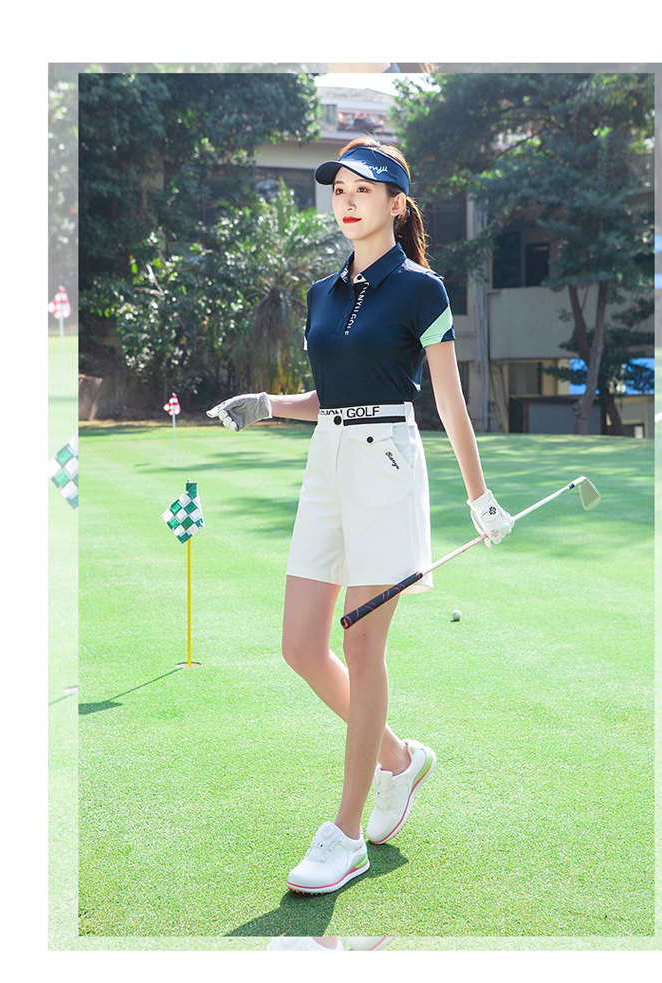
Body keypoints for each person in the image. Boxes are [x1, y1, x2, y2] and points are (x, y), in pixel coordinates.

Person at [206, 138, 514, 895]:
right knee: (300, 645)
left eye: (363, 189)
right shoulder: (321, 293)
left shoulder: (422, 291)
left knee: (361, 642)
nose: (346, 200)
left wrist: (479, 496)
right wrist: (267, 404)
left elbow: (448, 402)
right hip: (326, 463)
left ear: (397, 204)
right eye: (339, 188)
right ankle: (399, 761)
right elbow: (332, 396)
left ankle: (346, 835)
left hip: (387, 466)